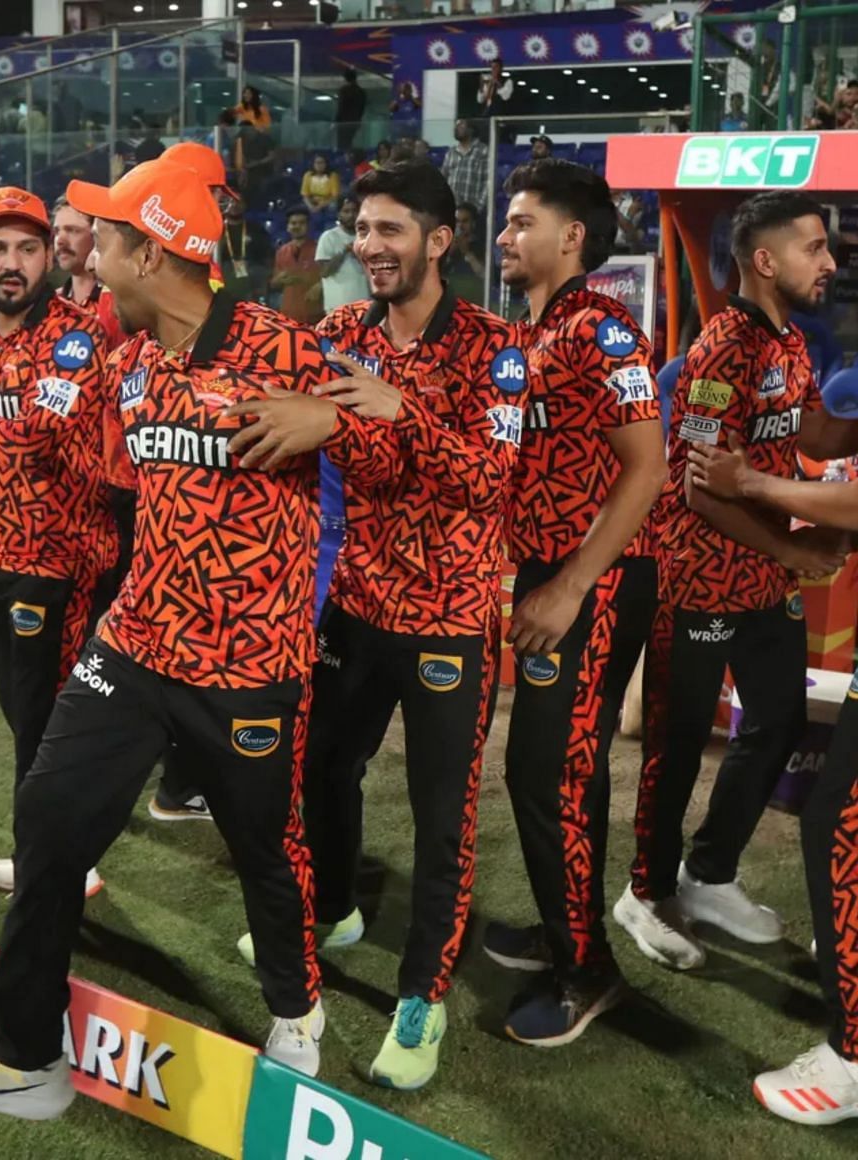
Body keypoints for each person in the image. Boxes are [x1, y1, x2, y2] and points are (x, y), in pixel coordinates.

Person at [0, 158, 399, 1121]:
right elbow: (96, 466)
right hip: (134, 643)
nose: (81, 252)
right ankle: (24, 1054)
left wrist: (336, 419)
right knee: (49, 822)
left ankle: (296, 1010)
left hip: (250, 665)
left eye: (100, 237)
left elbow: (401, 453)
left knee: (267, 850)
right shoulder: (131, 361)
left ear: (149, 249)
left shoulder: (281, 349)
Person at [257, 160, 523, 1091]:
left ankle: (423, 997)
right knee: (322, 763)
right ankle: (334, 908)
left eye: (389, 231)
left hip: (450, 619)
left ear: (438, 241)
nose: (369, 246)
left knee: (440, 817)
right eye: (362, 229)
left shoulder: (496, 348)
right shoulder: (337, 334)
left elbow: (490, 481)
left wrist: (401, 408)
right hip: (355, 606)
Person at [620, 193, 848, 979]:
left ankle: (710, 873)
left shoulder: (790, 339)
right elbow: (699, 490)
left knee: (777, 725)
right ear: (764, 260)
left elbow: (812, 431)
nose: (829, 262)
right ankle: (644, 894)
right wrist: (791, 555)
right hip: (699, 583)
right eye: (814, 248)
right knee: (677, 748)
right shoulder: (723, 350)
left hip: (762, 581)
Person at [487, 159, 666, 1046]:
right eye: (507, 221)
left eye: (522, 222)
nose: (505, 235)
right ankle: (570, 929)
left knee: (547, 768)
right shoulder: (530, 331)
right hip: (551, 574)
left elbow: (650, 468)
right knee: (562, 767)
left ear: (572, 238)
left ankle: (587, 971)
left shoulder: (605, 333)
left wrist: (568, 584)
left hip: (591, 580)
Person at [0, 187, 117, 896]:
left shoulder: (78, 338)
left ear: (51, 255)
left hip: (63, 564)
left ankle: (57, 862)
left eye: (28, 248)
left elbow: (38, 436)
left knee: (46, 724)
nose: (14, 263)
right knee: (23, 721)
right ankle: (55, 851)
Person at [684, 366, 858, 1128]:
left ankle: (852, 1056)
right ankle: (688, 879)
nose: (830, 263)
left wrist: (750, 480)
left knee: (839, 824)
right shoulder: (734, 356)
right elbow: (826, 444)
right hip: (715, 588)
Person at [49, 196, 128, 348]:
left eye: (72, 230)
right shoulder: (51, 303)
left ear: (96, 235)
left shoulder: (118, 303)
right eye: (57, 231)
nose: (60, 240)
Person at [273, 208, 323, 325]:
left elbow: (328, 277)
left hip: (314, 314)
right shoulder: (281, 251)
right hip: (288, 314)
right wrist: (279, 279)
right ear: (287, 227)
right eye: (293, 223)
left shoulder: (319, 249)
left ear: (309, 226)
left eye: (301, 223)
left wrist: (319, 285)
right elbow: (274, 283)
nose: (297, 226)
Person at [316, 195, 365, 314]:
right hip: (337, 307)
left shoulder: (367, 236)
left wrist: (358, 255)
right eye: (346, 211)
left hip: (365, 305)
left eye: (354, 211)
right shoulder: (328, 237)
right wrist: (344, 252)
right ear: (339, 214)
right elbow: (325, 272)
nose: (351, 215)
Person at [441, 120, 488, 225]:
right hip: (452, 209)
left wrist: (479, 206)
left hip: (473, 210)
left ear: (471, 129)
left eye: (461, 125)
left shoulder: (483, 150)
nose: (456, 128)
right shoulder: (451, 152)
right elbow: (443, 179)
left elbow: (488, 181)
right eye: (456, 126)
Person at [336, 67, 366, 154]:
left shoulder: (344, 90)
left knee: (343, 143)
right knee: (351, 141)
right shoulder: (361, 91)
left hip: (344, 122)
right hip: (355, 121)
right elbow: (362, 109)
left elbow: (341, 107)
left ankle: (344, 157)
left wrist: (336, 121)